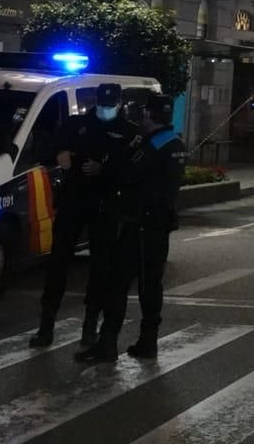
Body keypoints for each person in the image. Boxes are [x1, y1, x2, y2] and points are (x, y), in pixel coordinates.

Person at [78, 94, 186, 362]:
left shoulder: (152, 146)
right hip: (158, 226)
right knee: (151, 286)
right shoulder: (175, 144)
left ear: (149, 115)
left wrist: (106, 168)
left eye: (141, 112)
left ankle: (107, 344)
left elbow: (126, 174)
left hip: (139, 226)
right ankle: (148, 342)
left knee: (117, 285)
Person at [31, 82, 139, 348]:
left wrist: (105, 169)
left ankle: (90, 325)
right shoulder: (74, 125)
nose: (105, 109)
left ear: (119, 104)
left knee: (101, 267)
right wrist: (60, 153)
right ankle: (46, 325)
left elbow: (132, 172)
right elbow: (45, 148)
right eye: (101, 104)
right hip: (73, 202)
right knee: (58, 263)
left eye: (110, 105)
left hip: (105, 206)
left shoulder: (128, 132)